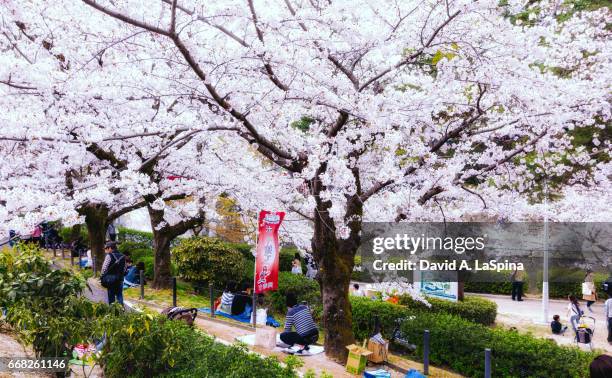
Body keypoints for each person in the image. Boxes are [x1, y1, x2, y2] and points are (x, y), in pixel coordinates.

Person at [100, 241, 126, 305]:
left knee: (111, 295)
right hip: (120, 279)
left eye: (107, 248)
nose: (106, 250)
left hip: (110, 279)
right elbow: (125, 268)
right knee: (119, 294)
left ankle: (113, 311)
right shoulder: (123, 256)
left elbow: (104, 268)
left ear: (110, 248)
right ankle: (121, 310)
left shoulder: (109, 255)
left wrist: (102, 276)